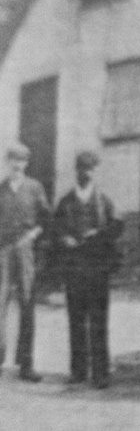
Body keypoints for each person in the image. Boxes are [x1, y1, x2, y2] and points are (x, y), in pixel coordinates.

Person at [52, 151, 121, 389]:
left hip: (98, 268)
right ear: (77, 171)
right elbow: (55, 229)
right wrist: (64, 239)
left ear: (96, 172)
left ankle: (101, 373)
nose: (87, 173)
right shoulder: (66, 202)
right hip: (74, 268)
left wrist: (98, 234)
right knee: (76, 320)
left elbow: (117, 226)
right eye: (83, 169)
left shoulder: (104, 200)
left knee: (99, 320)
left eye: (91, 169)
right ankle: (78, 371)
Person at [0, 142, 50, 382]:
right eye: (13, 160)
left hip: (25, 249)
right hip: (3, 251)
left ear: (27, 163)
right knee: (0, 304)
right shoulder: (1, 189)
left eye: (21, 161)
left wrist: (32, 236)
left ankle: (26, 364)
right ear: (7, 162)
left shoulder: (34, 188)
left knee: (27, 303)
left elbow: (46, 219)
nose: (17, 165)